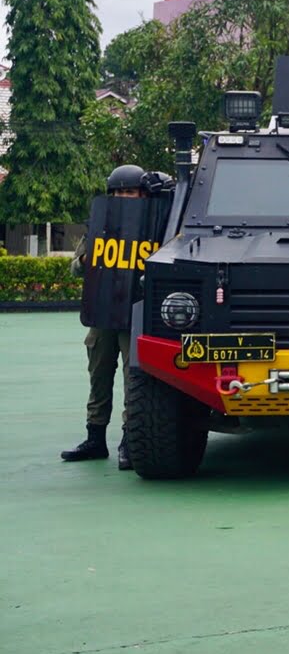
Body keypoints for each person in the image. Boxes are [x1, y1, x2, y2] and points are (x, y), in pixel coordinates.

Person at [62, 165, 150, 469]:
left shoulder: (152, 224)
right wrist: (87, 259)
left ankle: (130, 439)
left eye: (131, 192)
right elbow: (75, 267)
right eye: (119, 192)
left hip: (134, 313)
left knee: (133, 378)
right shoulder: (98, 224)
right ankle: (95, 437)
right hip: (102, 310)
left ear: (142, 195)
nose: (125, 197)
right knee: (98, 375)